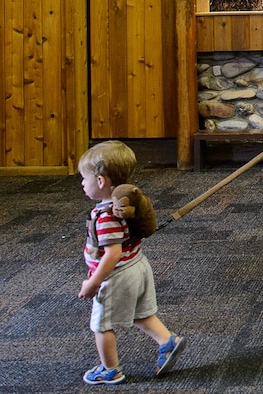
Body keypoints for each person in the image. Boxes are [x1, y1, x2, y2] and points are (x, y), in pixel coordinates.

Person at [78, 140, 187, 384]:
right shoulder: (126, 204)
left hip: (117, 276)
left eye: (83, 178)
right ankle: (168, 342)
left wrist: (94, 283)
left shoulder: (107, 216)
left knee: (102, 325)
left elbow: (112, 253)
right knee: (140, 313)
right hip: (137, 266)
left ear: (101, 181)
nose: (82, 184)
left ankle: (109, 369)